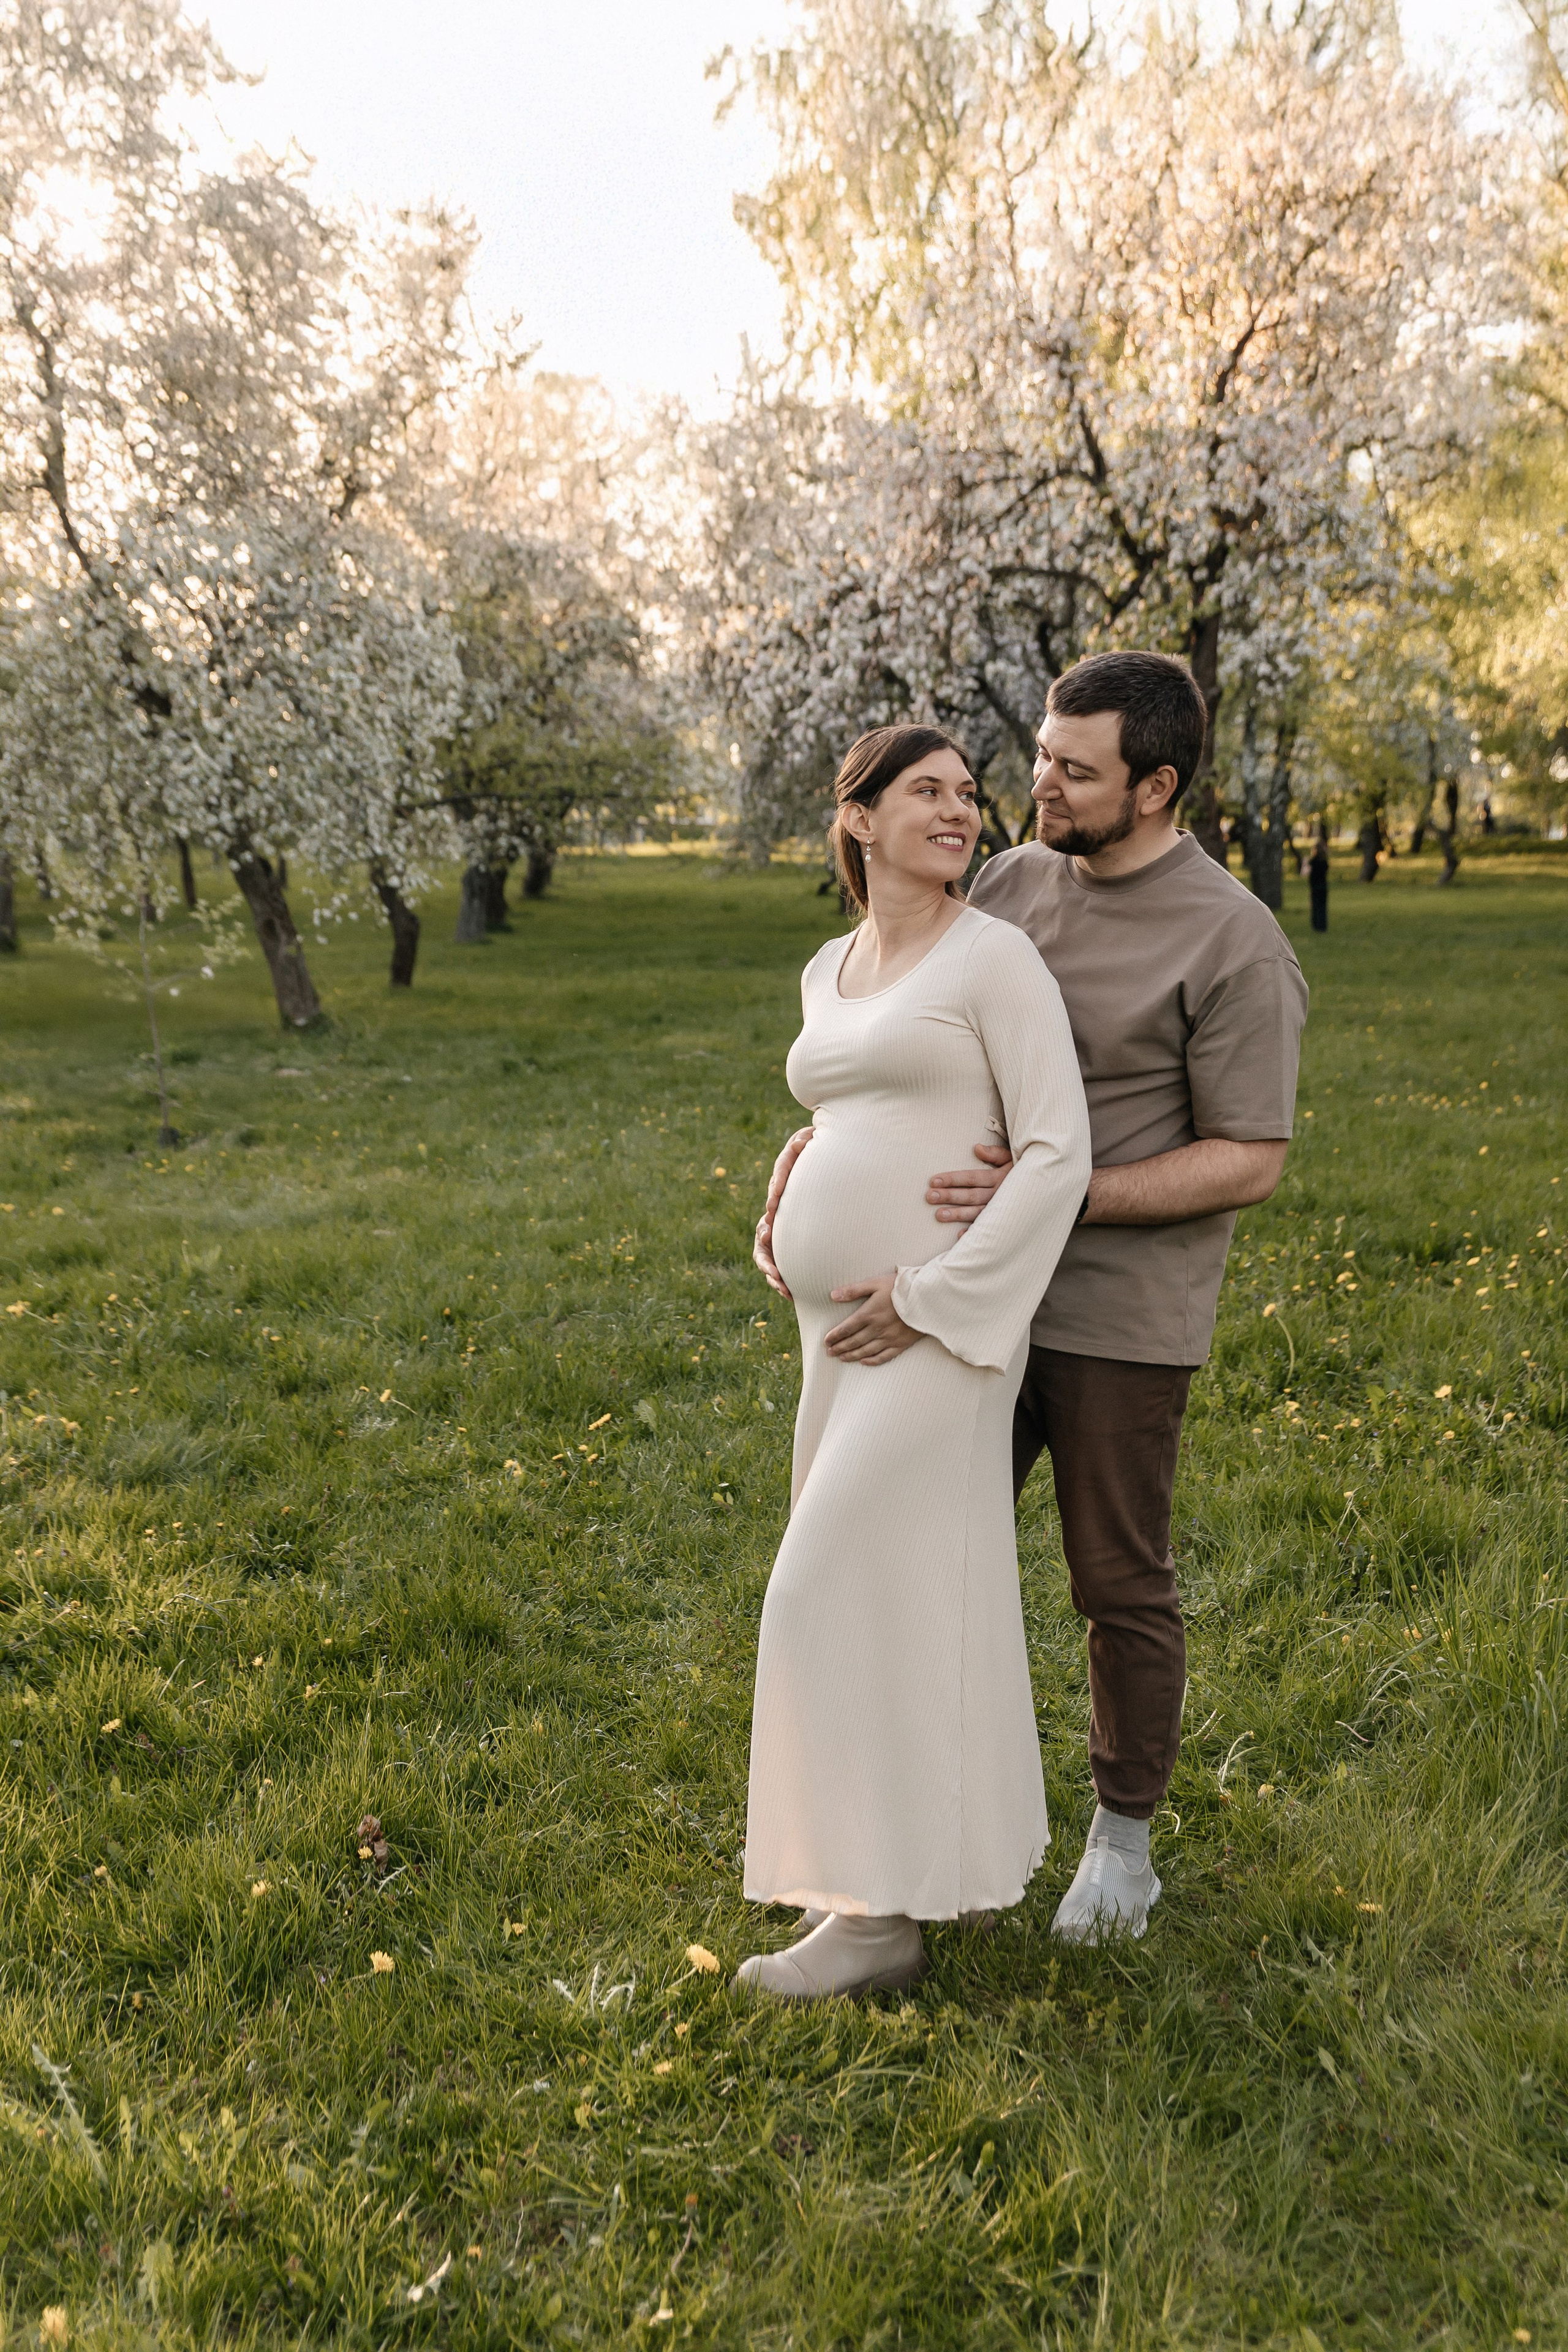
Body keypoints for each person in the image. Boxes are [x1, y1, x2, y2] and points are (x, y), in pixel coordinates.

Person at [757, 653, 1308, 1943]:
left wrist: (1056, 1195)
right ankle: (890, 1862)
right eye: (1043, 756)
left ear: (1155, 787)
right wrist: (818, 1148)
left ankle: (1120, 1843)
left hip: (1117, 1312)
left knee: (1114, 1579)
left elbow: (1251, 1156)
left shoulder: (1231, 937)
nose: (1036, 787)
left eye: (1072, 769)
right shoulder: (1005, 885)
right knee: (899, 1560)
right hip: (950, 1306)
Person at [736, 724, 1091, 2000]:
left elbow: (1058, 1152)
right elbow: (843, 1109)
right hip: (831, 1331)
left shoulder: (995, 960)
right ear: (858, 819)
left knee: (817, 1589)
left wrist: (938, 1297)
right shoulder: (828, 968)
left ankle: (879, 1919)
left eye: (968, 795)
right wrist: (788, 1200)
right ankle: (879, 1886)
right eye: (926, 792)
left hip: (936, 1333)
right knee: (877, 1599)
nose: (959, 811)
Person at [1309, 832, 1329, 932]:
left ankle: (1316, 925)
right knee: (1322, 907)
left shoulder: (1313, 862)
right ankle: (1322, 925)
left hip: (1315, 886)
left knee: (1316, 906)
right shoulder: (1324, 862)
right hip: (1323, 886)